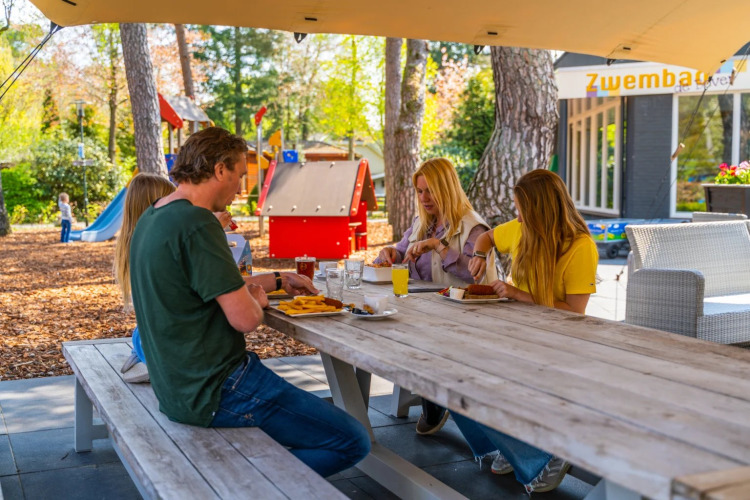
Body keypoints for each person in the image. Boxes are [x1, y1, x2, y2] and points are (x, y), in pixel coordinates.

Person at [129, 127, 370, 477]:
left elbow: (204, 285)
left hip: (176, 388)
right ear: (220, 169)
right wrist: (257, 299)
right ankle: (250, 486)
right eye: (240, 175)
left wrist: (274, 280)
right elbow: (244, 319)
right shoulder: (198, 223)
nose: (241, 187)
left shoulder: (154, 216)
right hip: (219, 388)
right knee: (352, 440)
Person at [453, 168, 598, 494]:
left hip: (559, 343)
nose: (517, 216)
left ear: (541, 210)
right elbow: (486, 236)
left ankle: (544, 454)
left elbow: (575, 313)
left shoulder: (580, 247)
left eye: (522, 209)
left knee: (483, 378)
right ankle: (511, 446)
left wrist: (520, 295)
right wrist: (479, 252)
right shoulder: (521, 231)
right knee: (451, 372)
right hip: (520, 332)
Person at [374, 157, 497, 436]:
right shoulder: (423, 222)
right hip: (428, 310)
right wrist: (391, 253)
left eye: (430, 190)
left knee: (412, 334)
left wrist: (440, 248)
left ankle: (437, 397)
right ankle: (431, 394)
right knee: (384, 330)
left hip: (467, 316)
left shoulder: (472, 226)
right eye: (419, 191)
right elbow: (403, 251)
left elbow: (473, 273)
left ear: (447, 189)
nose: (424, 197)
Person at [114, 173, 235, 383]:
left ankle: (145, 362)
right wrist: (211, 230)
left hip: (143, 337)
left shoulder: (135, 242)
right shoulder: (160, 244)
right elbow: (206, 276)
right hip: (165, 344)